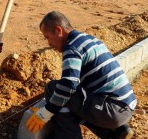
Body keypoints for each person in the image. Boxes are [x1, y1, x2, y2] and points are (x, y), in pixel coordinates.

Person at [27, 11, 137, 139]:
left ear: (58, 30)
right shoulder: (88, 39)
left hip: (111, 110)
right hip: (123, 107)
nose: (48, 43)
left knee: (53, 88)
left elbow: (68, 85)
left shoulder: (72, 47)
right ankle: (116, 132)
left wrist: (46, 112)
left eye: (47, 37)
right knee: (73, 99)